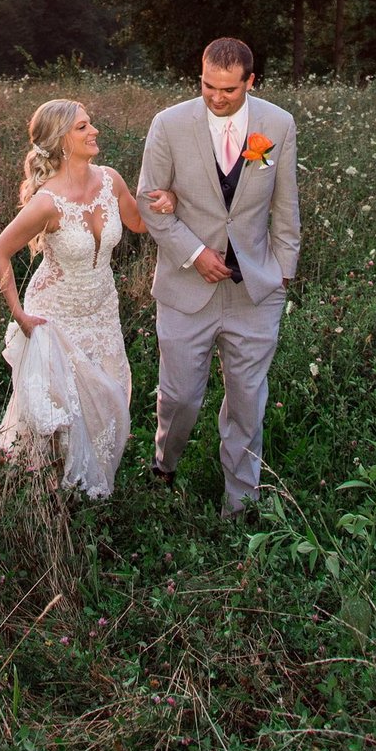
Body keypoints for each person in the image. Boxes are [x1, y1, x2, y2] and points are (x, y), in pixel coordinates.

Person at [135, 37, 300, 516]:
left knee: (248, 401)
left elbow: (284, 206)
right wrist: (193, 253)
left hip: (255, 291)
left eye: (228, 89)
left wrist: (282, 274)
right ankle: (165, 463)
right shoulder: (168, 125)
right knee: (182, 396)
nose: (216, 96)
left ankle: (240, 505)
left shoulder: (277, 125)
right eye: (208, 85)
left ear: (251, 82)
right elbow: (150, 199)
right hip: (187, 289)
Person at [0, 98, 172, 498]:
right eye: (83, 128)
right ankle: (54, 495)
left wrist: (164, 203)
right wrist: (19, 314)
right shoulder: (46, 202)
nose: (94, 132)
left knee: (108, 399)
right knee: (60, 411)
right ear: (61, 141)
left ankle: (91, 485)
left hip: (102, 309)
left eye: (91, 125)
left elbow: (138, 223)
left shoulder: (110, 179)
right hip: (55, 314)